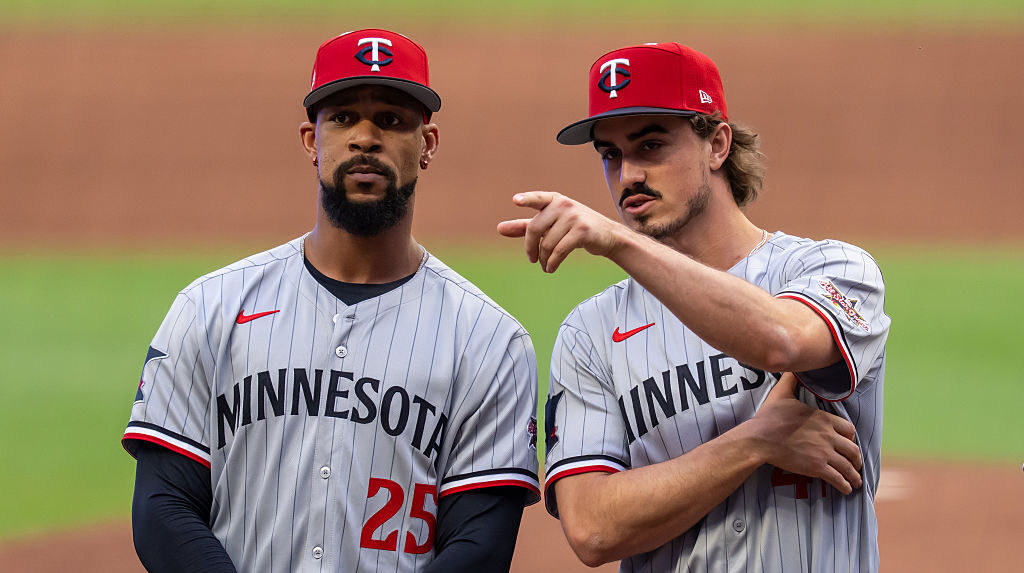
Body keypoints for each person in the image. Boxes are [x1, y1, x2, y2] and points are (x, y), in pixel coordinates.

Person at [123, 29, 540, 573]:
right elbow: (163, 507)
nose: (366, 138)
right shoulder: (210, 308)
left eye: (391, 119)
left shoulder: (489, 341)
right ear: (310, 140)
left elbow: (480, 544)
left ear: (428, 143)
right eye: (343, 117)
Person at [498, 41, 889, 572]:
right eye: (611, 155)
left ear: (717, 144)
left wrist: (619, 242)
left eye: (651, 145)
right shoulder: (590, 333)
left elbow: (784, 340)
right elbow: (592, 529)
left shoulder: (833, 270)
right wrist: (755, 442)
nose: (628, 175)